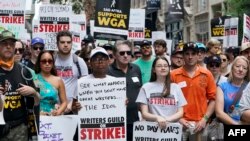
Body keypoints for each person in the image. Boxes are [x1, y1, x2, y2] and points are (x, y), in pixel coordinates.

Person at [171, 42, 216, 141]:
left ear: (198, 55)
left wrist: (204, 119)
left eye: (193, 54)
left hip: (200, 124)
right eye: (187, 54)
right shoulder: (173, 75)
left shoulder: (207, 74)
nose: (190, 57)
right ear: (183, 56)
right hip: (179, 123)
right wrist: (178, 119)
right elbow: (169, 101)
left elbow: (213, 99)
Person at [0, 30, 40, 140]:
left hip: (19, 129)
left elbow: (37, 102)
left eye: (11, 44)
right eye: (4, 43)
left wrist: (34, 92)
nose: (8, 46)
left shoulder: (24, 71)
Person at [136, 56, 187, 130]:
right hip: (152, 129)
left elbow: (180, 112)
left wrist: (166, 120)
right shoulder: (146, 87)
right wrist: (157, 118)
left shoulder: (176, 87)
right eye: (159, 66)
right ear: (154, 69)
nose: (163, 68)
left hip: (172, 130)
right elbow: (144, 113)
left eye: (165, 66)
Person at [107, 40, 142, 141]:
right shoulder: (108, 71)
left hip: (134, 119)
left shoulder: (136, 69)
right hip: (115, 122)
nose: (126, 55)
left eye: (128, 53)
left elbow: (139, 90)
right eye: (122, 53)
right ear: (114, 55)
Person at [54, 30, 88, 114]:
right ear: (57, 44)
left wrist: (71, 104)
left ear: (71, 44)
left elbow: (85, 85)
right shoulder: (51, 61)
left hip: (74, 109)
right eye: (62, 42)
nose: (66, 45)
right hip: (54, 108)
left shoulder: (79, 61)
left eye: (68, 42)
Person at [215, 56, 250, 125]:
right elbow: (219, 113)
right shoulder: (222, 86)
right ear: (232, 68)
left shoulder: (248, 87)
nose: (241, 69)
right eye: (237, 66)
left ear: (247, 72)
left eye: (244, 68)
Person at [34, 50, 67, 116]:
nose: (47, 64)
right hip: (37, 116)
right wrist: (37, 113)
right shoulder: (33, 79)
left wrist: (58, 111)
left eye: (50, 61)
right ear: (39, 63)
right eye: (44, 61)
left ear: (53, 63)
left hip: (53, 118)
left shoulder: (58, 80)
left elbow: (64, 102)